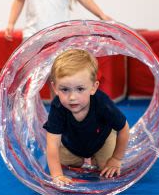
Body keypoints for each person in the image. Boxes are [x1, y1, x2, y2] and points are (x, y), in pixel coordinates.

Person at [43, 49, 130, 186]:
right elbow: (52, 143)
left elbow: (124, 128)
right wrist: (57, 175)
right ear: (55, 88)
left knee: (107, 167)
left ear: (93, 87)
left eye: (80, 89)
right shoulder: (58, 106)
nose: (72, 97)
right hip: (72, 143)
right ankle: (85, 159)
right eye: (65, 90)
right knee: (61, 161)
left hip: (102, 139)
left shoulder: (102, 102)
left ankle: (95, 159)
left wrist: (116, 158)